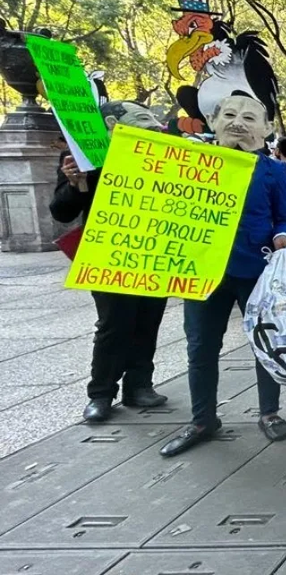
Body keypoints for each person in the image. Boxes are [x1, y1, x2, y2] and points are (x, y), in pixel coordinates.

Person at [159, 90, 286, 457]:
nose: (238, 123)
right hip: (202, 270)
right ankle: (202, 419)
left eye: (250, 118)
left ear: (266, 129)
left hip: (256, 270)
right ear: (213, 122)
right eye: (230, 115)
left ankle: (269, 412)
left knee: (265, 344)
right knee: (201, 346)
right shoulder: (191, 164)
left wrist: (285, 237)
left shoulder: (274, 171)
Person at [49, 99, 171, 422]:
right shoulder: (79, 157)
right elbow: (61, 211)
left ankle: (139, 385)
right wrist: (76, 184)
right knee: (113, 324)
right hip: (109, 254)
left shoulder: (163, 156)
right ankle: (101, 393)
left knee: (148, 320)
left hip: (153, 252)